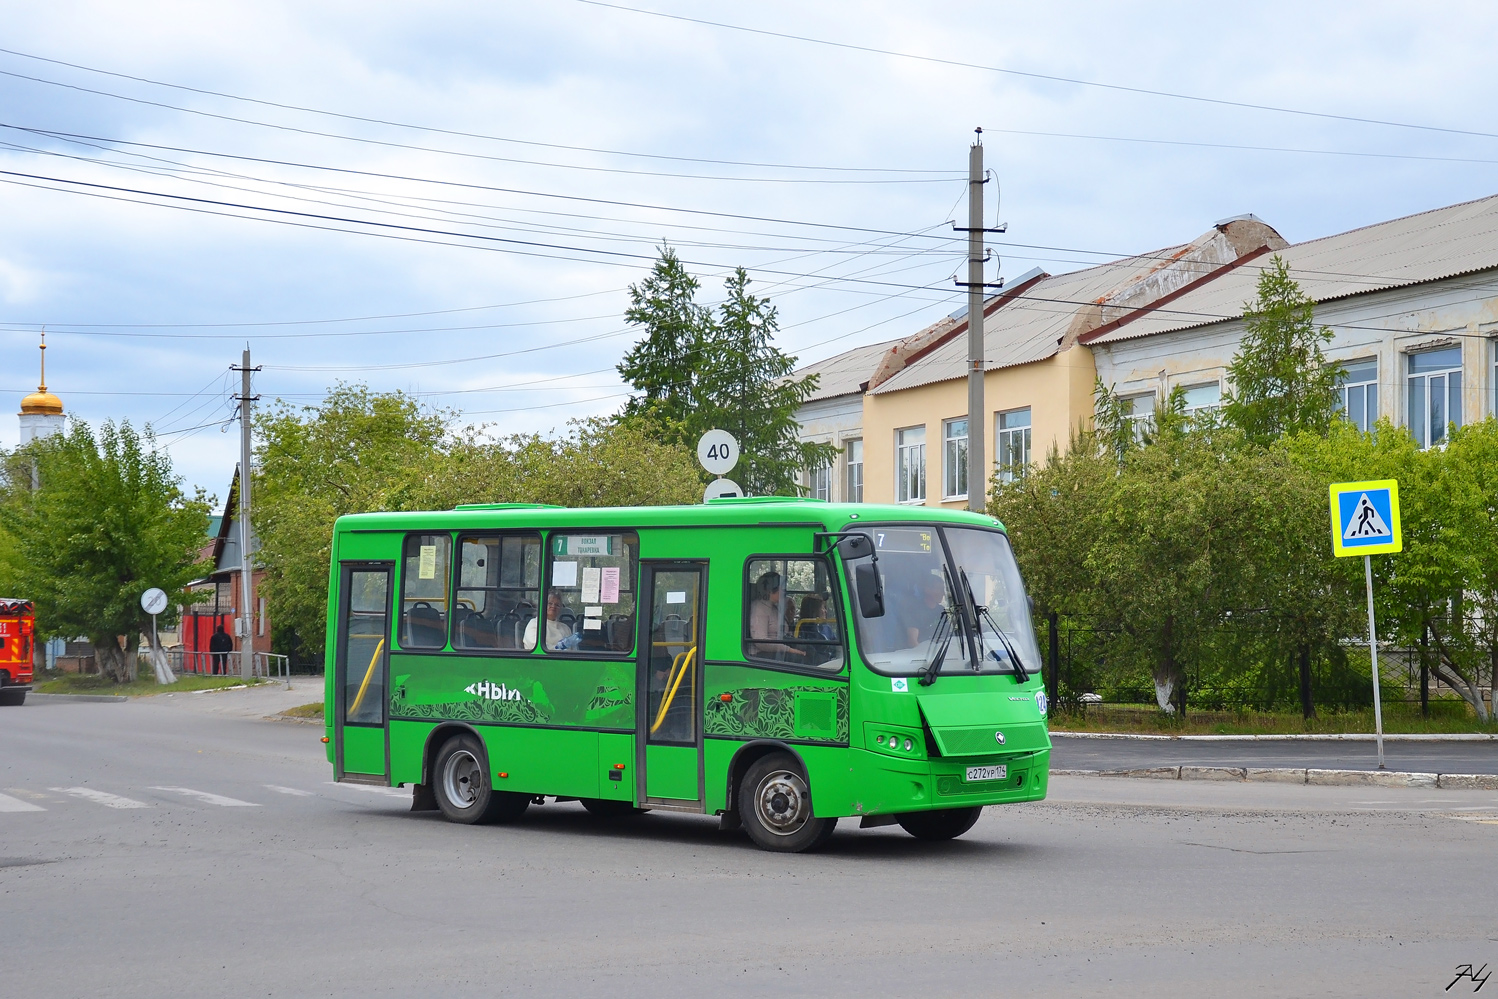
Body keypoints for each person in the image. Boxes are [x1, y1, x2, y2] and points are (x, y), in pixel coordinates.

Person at [748, 571, 806, 660]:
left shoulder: (774, 608)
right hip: (762, 655)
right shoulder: (759, 609)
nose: (784, 591)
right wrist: (789, 650)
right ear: (770, 590)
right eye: (781, 588)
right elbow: (760, 641)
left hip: (778, 652)